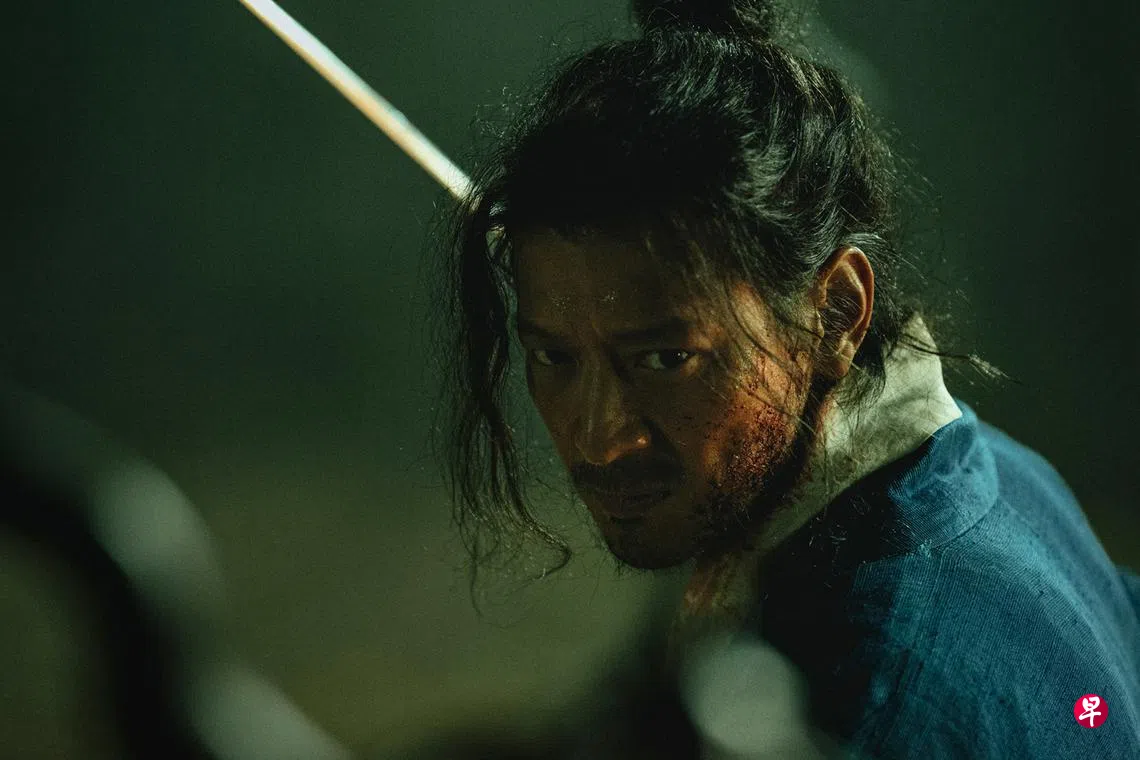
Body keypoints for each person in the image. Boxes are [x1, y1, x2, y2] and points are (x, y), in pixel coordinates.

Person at [430, 0, 1140, 756]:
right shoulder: (987, 471)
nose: (601, 439)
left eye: (666, 359)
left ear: (834, 314)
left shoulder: (865, 703)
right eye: (555, 357)